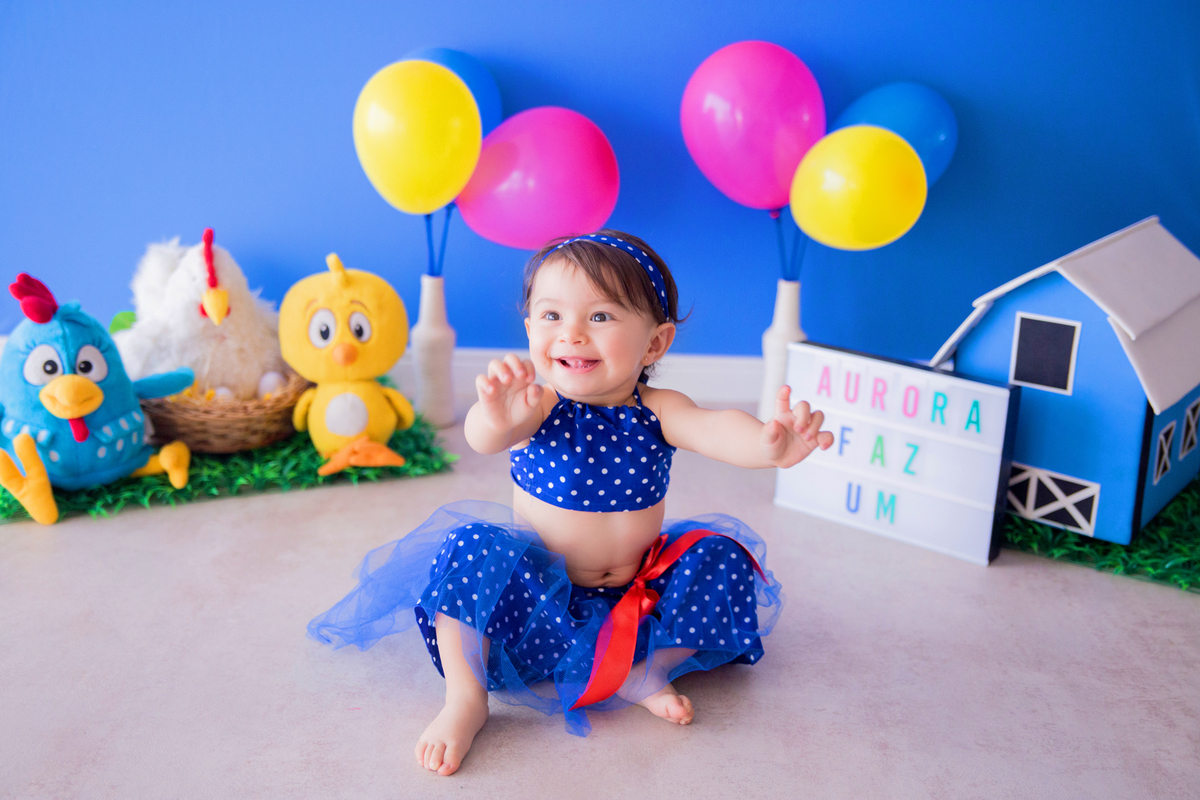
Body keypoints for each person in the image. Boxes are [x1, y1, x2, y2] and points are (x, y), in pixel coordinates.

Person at [308, 230, 833, 776]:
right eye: (552, 316)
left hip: (638, 599)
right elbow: (482, 437)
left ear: (655, 344)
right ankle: (466, 698)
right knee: (468, 547)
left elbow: (718, 428)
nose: (573, 334)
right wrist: (497, 416)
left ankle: (647, 668)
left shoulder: (659, 410)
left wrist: (771, 445)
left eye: (601, 317)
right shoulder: (538, 405)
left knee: (723, 558)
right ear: (532, 328)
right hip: (536, 604)